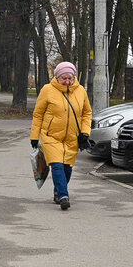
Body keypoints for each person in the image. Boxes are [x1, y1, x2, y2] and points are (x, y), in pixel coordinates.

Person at [30, 61, 92, 210]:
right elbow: (38, 115)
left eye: (70, 78)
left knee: (67, 168)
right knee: (57, 165)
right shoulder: (47, 90)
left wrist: (85, 132)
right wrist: (34, 136)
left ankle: (58, 191)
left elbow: (87, 113)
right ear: (57, 77)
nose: (67, 81)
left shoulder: (81, 91)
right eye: (64, 78)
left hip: (72, 138)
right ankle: (64, 196)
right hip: (51, 136)